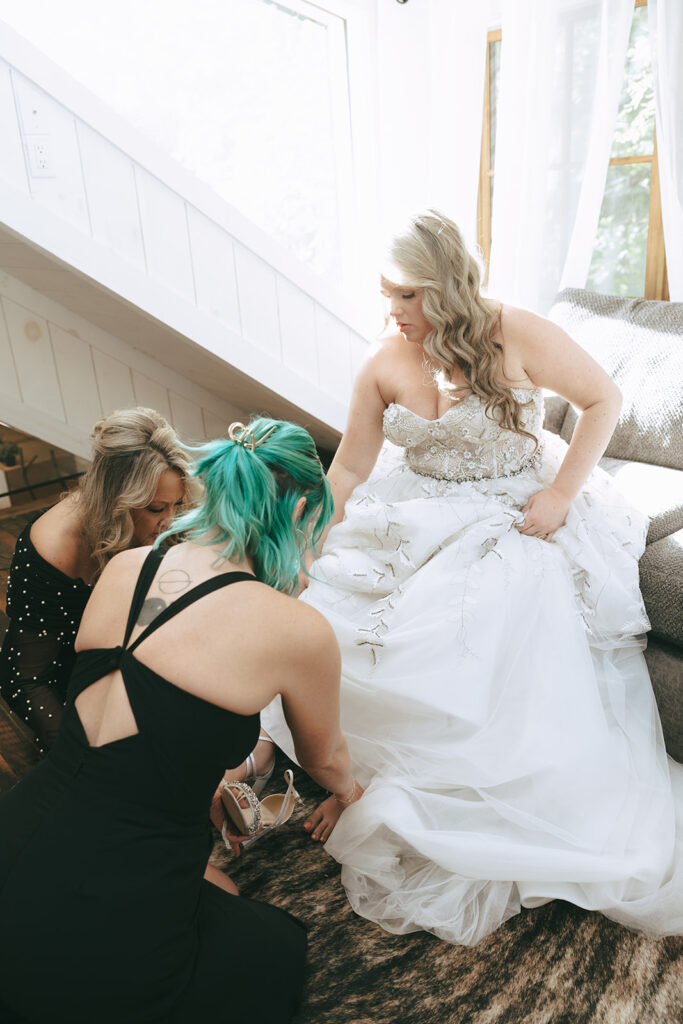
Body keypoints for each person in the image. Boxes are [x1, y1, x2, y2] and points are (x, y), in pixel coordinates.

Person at [262, 210, 683, 946]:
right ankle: (350, 778)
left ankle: (442, 795)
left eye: (403, 296)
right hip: (410, 510)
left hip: (513, 508)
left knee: (484, 621)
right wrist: (309, 552)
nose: (389, 311)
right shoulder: (382, 360)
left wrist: (558, 497)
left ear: (443, 287)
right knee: (328, 621)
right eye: (388, 295)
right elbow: (354, 467)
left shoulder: (513, 331)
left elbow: (600, 401)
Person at [0, 416, 361, 1023]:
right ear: (300, 511)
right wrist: (352, 790)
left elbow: (137, 718)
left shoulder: (125, 566)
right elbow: (324, 758)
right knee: (266, 950)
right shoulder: (297, 629)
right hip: (117, 877)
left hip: (22, 830)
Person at [0, 407, 195, 752]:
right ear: (117, 501)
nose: (171, 523)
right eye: (155, 509)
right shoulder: (55, 549)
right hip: (67, 686)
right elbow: (27, 680)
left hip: (129, 666)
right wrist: (76, 756)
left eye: (176, 506)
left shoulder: (163, 521)